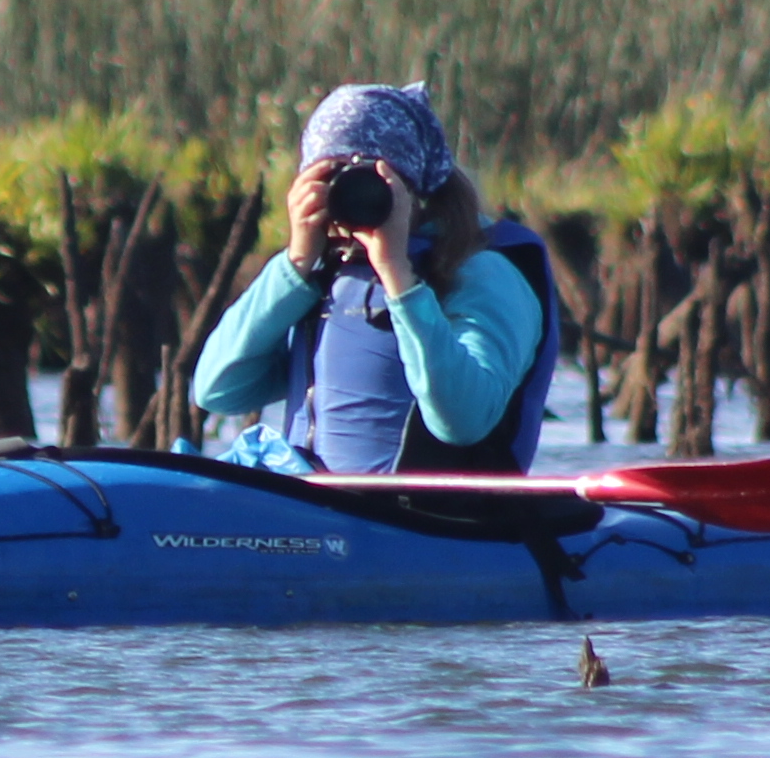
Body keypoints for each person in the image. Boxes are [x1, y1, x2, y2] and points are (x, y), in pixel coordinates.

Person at [188, 82, 566, 475]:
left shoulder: (483, 272)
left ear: (412, 189)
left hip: (427, 520)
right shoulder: (325, 274)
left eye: (370, 179)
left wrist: (398, 278)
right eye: (331, 178)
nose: (350, 195)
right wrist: (295, 262)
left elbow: (464, 421)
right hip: (316, 510)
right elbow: (218, 389)